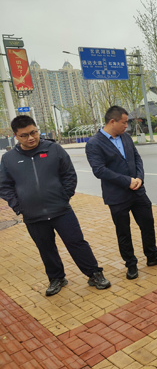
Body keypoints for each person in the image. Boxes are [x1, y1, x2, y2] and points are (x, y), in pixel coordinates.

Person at [0, 116, 110, 296]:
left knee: (77, 242)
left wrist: (64, 197)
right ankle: (56, 278)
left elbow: (69, 174)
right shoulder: (9, 159)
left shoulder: (53, 149)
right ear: (15, 136)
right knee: (46, 248)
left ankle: (94, 274)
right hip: (33, 215)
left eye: (34, 132)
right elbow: (4, 186)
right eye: (24, 135)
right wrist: (19, 206)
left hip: (61, 210)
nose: (31, 138)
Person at [85, 106, 157, 280]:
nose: (127, 126)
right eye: (124, 122)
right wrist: (127, 181)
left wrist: (139, 178)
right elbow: (99, 170)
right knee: (123, 231)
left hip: (138, 192)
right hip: (117, 196)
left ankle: (152, 255)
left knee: (147, 224)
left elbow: (137, 158)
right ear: (112, 122)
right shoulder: (94, 143)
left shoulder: (125, 137)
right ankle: (131, 264)